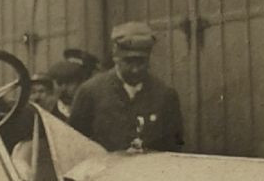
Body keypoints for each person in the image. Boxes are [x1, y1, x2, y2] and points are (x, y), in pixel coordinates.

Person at [68, 21, 184, 152]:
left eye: (141, 62)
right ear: (116, 57)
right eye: (128, 62)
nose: (135, 69)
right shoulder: (90, 92)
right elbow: (74, 144)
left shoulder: (165, 95)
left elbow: (174, 147)